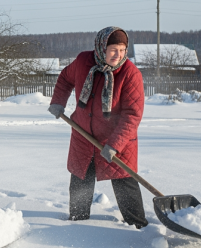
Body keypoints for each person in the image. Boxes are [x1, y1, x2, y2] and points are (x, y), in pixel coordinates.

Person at [48, 26, 148, 228]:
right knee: (80, 178)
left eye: (122, 49)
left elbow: (132, 115)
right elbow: (65, 78)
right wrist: (58, 102)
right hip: (83, 136)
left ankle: (138, 226)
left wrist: (115, 144)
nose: (117, 54)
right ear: (101, 47)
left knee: (124, 181)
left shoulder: (130, 74)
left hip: (117, 141)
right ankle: (77, 221)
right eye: (113, 49)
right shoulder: (83, 62)